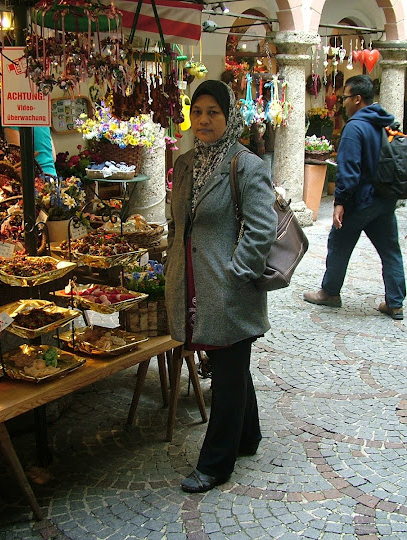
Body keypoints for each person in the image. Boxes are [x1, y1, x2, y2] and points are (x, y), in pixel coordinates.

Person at [165, 80, 277, 493]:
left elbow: (262, 228)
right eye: (197, 112)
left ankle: (216, 463)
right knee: (232, 365)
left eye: (213, 112)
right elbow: (178, 221)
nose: (203, 120)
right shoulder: (186, 163)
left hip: (227, 286)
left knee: (227, 375)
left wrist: (237, 272)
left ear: (229, 117)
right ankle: (248, 436)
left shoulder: (246, 165)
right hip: (192, 282)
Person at [303, 74, 407, 320]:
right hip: (384, 198)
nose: (343, 103)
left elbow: (349, 170)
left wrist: (340, 202)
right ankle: (395, 303)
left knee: (339, 245)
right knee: (390, 250)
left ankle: (330, 293)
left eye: (346, 98)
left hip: (360, 201)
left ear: (358, 99)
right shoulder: (383, 123)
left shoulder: (354, 127)